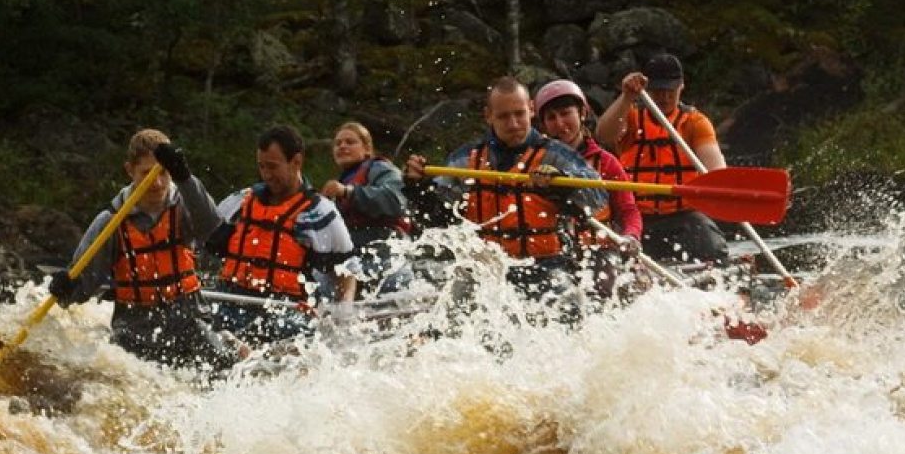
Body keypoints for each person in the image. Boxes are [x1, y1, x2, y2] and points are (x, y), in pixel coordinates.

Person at [47, 129, 245, 371]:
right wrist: (66, 287)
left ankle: (229, 343)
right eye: (147, 174)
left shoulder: (185, 204)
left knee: (225, 369)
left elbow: (212, 230)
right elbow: (82, 287)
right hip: (134, 330)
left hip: (188, 320)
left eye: (163, 172)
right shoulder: (110, 222)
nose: (158, 183)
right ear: (130, 170)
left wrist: (185, 178)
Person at [403, 76, 606, 305]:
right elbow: (434, 216)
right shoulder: (465, 160)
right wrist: (416, 186)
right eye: (503, 116)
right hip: (486, 268)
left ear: (531, 109)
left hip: (545, 265)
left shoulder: (558, 155)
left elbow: (597, 198)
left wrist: (561, 187)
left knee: (570, 305)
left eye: (519, 114)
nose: (514, 124)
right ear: (488, 116)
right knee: (455, 310)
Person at [206, 125, 359, 343]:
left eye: (273, 167)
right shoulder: (241, 201)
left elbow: (347, 271)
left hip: (283, 311)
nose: (266, 175)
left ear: (296, 161)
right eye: (261, 167)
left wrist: (344, 313)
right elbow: (206, 235)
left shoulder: (319, 213)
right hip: (229, 301)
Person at [594, 53, 729, 264]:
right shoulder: (630, 117)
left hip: (684, 217)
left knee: (712, 245)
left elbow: (715, 171)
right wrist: (627, 96)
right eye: (658, 91)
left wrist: (721, 186)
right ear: (646, 90)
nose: (664, 97)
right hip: (636, 219)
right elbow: (603, 135)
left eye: (670, 91)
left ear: (681, 86)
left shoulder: (694, 122)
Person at [534, 78, 643, 300]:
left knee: (602, 288)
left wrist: (631, 236)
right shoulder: (534, 164)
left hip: (599, 251)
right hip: (553, 254)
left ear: (582, 113)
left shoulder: (606, 163)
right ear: (543, 125)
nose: (560, 123)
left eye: (566, 113)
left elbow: (628, 210)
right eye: (551, 118)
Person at [317, 121, 411, 295]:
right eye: (338, 144)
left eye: (350, 142)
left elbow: (395, 200)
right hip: (355, 262)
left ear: (367, 148)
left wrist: (348, 192)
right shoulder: (342, 183)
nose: (342, 146)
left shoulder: (381, 169)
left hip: (385, 258)